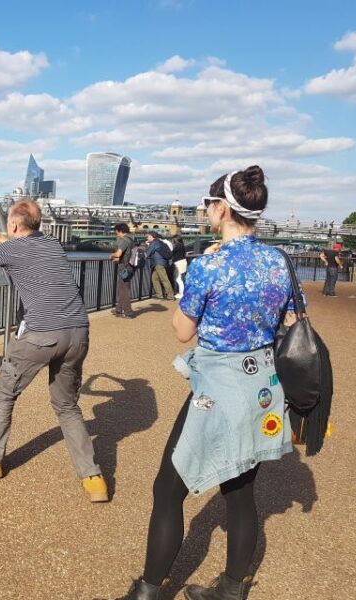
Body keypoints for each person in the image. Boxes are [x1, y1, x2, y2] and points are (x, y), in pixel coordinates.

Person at [115, 166, 300, 600]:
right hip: (262, 390)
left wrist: (186, 289)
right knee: (239, 493)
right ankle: (232, 591)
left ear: (221, 208)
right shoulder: (280, 262)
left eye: (207, 204)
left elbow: (183, 331)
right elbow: (290, 322)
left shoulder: (208, 265)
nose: (205, 212)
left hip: (217, 388)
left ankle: (149, 591)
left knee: (168, 488)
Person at [0, 200, 107, 503]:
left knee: (5, 393)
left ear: (14, 225)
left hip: (41, 334)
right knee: (66, 405)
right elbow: (23, 245)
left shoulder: (12, 249)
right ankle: (93, 478)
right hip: (78, 331)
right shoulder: (51, 244)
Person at [109, 223, 136, 319]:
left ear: (120, 231)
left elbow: (118, 254)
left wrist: (112, 255)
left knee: (124, 290)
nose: (116, 234)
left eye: (116, 232)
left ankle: (128, 312)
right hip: (130, 267)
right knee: (123, 289)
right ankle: (118, 310)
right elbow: (127, 255)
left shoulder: (124, 240)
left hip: (124, 268)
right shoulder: (131, 239)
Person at [145, 232, 174, 301]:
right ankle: (159, 295)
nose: (147, 238)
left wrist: (147, 246)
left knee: (164, 279)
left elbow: (147, 253)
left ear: (152, 237)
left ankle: (170, 296)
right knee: (154, 278)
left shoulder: (154, 243)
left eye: (148, 236)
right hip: (161, 263)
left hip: (158, 264)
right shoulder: (160, 242)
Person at [170, 235, 188, 300]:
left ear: (176, 240)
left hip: (179, 263)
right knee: (180, 278)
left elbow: (171, 253)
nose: (172, 241)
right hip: (183, 262)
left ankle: (181, 294)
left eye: (173, 240)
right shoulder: (182, 246)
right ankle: (181, 293)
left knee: (178, 279)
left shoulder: (178, 246)